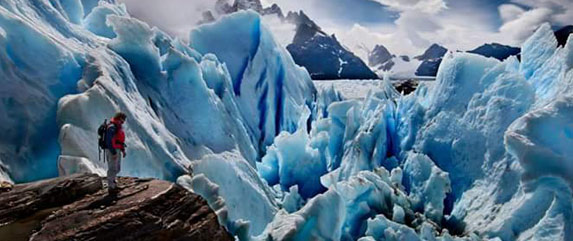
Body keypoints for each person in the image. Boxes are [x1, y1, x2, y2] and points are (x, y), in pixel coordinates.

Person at [105, 112, 127, 193]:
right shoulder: (112, 127)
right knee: (112, 168)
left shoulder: (117, 127)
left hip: (117, 149)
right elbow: (109, 141)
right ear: (118, 118)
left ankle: (113, 183)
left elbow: (119, 141)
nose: (123, 122)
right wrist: (113, 152)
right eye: (122, 120)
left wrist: (123, 150)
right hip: (112, 150)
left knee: (117, 168)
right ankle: (111, 187)